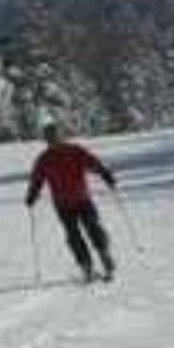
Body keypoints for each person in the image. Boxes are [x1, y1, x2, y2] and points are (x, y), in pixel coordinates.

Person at [25, 120, 119, 282]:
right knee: (75, 234)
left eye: (55, 137)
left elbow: (93, 163)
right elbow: (37, 179)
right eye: (50, 138)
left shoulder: (71, 151)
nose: (53, 141)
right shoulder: (45, 158)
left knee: (91, 229)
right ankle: (87, 265)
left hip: (80, 199)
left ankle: (104, 257)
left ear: (60, 136)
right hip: (65, 203)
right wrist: (32, 194)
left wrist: (105, 174)